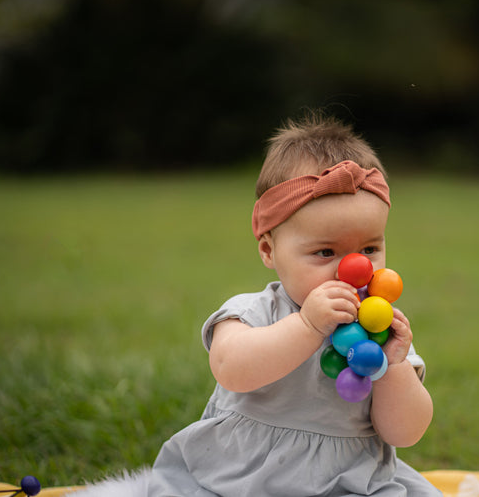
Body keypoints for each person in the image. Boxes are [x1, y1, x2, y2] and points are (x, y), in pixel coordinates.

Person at [149, 113, 440, 496]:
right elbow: (231, 370)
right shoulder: (256, 312)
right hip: (243, 475)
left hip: (348, 480)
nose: (354, 268)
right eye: (325, 251)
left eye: (370, 248)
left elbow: (406, 432)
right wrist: (306, 327)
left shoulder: (380, 329)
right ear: (269, 250)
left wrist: (393, 367)